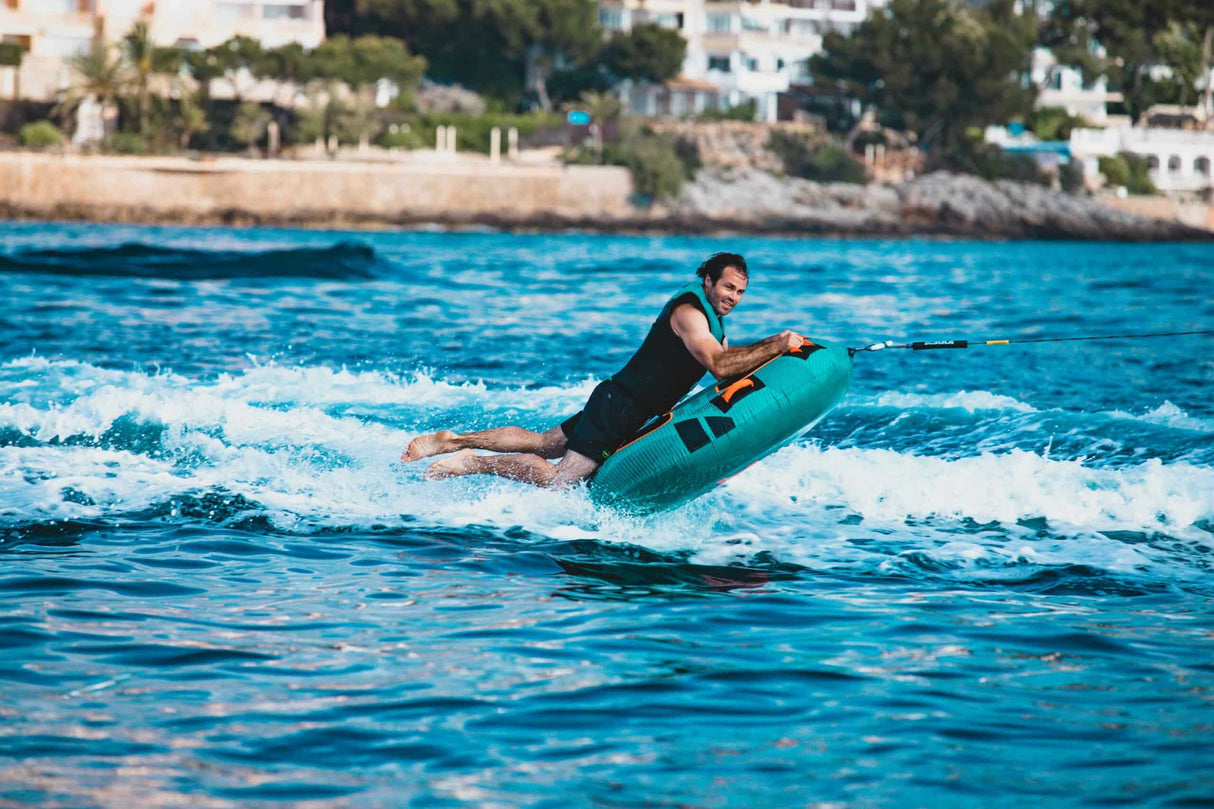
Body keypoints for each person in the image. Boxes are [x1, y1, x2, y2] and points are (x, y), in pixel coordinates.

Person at [401, 252, 803, 486]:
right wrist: (776, 344)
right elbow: (718, 367)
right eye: (728, 288)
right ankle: (474, 461)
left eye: (740, 292)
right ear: (708, 281)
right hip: (620, 408)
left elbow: (731, 369)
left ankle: (452, 441)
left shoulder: (716, 324)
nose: (734, 297)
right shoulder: (689, 313)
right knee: (558, 482)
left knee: (542, 443)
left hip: (622, 402)